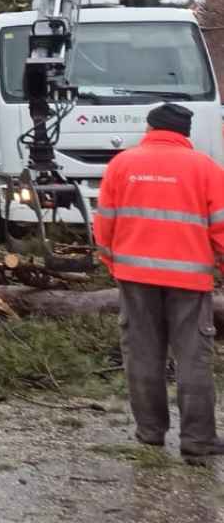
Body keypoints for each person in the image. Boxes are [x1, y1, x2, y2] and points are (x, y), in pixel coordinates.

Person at [94, 102, 224, 459]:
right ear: (185, 133)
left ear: (150, 129)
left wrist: (113, 263)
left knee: (142, 354)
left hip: (135, 278)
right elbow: (222, 229)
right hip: (190, 280)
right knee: (193, 358)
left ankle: (150, 433)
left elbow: (104, 225)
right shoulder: (206, 169)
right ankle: (198, 441)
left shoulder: (121, 164)